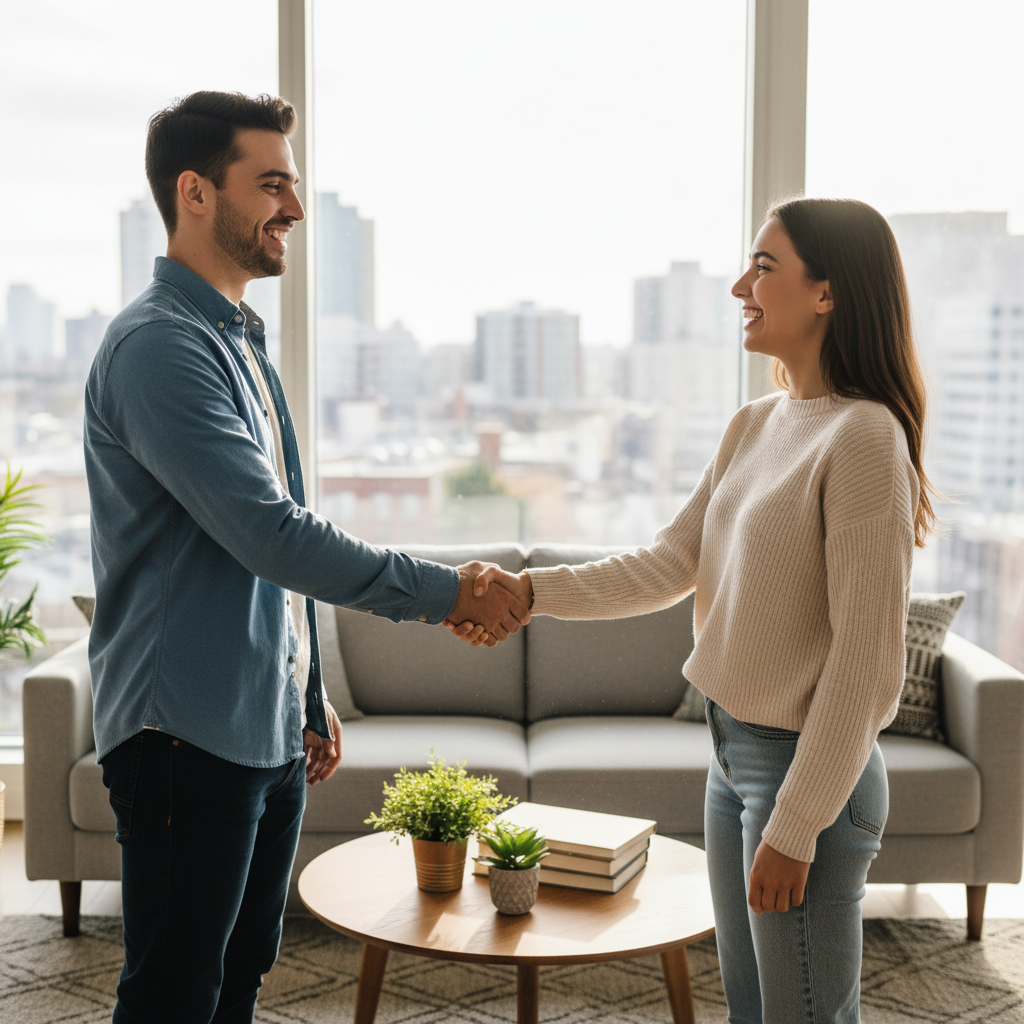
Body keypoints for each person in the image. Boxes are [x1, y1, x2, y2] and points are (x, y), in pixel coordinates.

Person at [84, 90, 528, 1024]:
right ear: (196, 193)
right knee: (174, 993)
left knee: (240, 973)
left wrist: (307, 685)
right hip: (182, 735)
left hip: (261, 724)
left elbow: (272, 537)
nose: (292, 207)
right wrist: (449, 590)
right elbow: (270, 535)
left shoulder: (239, 342)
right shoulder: (160, 350)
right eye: (272, 183)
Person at [455, 197, 936, 1023]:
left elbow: (866, 660)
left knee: (805, 1016)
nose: (740, 285)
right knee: (754, 1010)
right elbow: (671, 562)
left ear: (827, 293)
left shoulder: (863, 438)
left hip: (803, 774)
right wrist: (532, 594)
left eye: (765, 266)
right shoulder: (755, 424)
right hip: (730, 757)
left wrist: (796, 823)